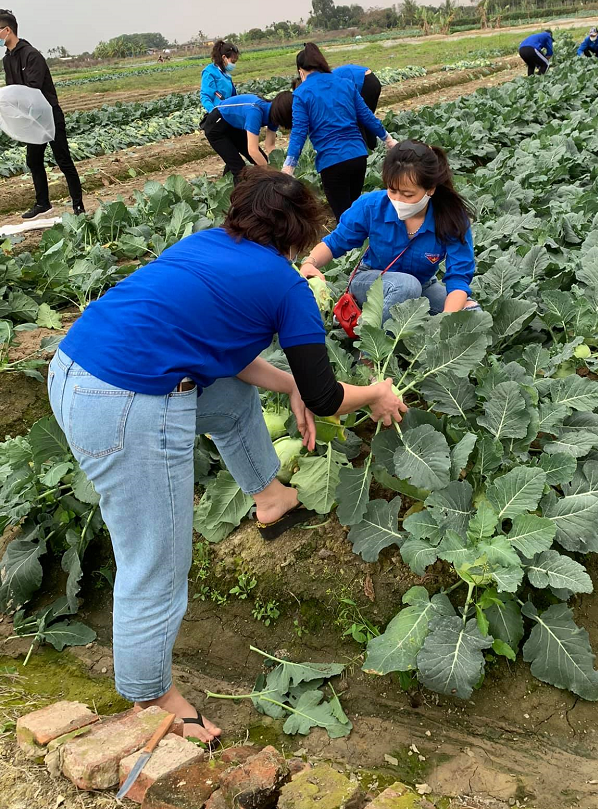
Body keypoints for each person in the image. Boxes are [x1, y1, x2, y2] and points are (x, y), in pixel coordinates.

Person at [48, 168, 407, 743]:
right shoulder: (288, 287)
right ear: (299, 230)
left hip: (72, 368)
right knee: (156, 561)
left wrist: (285, 384)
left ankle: (270, 496)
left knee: (232, 397)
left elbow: (226, 355)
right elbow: (327, 397)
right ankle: (152, 698)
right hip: (127, 402)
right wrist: (377, 393)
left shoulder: (204, 243)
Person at [300, 140, 477, 325]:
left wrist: (445, 322)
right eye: (392, 190)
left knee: (470, 313)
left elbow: (458, 278)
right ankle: (369, 348)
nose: (397, 200)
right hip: (370, 281)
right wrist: (309, 262)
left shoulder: (451, 219)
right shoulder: (371, 206)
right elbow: (335, 242)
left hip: (423, 285)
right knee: (407, 287)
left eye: (408, 195)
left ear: (430, 190)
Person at [282, 43, 397, 219]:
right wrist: (389, 140)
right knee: (355, 211)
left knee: (344, 220)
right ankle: (364, 244)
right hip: (358, 157)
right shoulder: (345, 84)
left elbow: (299, 133)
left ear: (300, 71)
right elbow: (367, 117)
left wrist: (288, 168)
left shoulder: (301, 93)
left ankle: (354, 246)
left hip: (332, 162)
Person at [0, 9, 84, 218]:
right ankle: (43, 203)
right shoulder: (7, 59)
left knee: (63, 159)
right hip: (31, 119)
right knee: (34, 161)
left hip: (49, 115)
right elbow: (14, 91)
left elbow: (32, 90)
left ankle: (78, 205)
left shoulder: (31, 55)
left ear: (7, 30)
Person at [201, 92, 293, 181]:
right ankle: (237, 195)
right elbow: (253, 151)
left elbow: (270, 146)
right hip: (216, 126)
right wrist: (273, 175)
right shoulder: (255, 112)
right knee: (239, 169)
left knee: (262, 160)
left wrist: (282, 167)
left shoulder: (274, 116)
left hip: (233, 125)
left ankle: (230, 185)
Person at [331, 64, 382, 151]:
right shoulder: (327, 78)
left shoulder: (321, 87)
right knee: (367, 121)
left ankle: (366, 154)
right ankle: (374, 149)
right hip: (373, 80)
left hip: (364, 83)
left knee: (359, 122)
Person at [201, 40, 239, 113]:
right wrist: (213, 112)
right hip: (218, 115)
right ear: (224, 58)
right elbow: (205, 96)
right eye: (233, 62)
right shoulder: (209, 72)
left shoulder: (225, 74)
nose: (234, 65)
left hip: (228, 113)